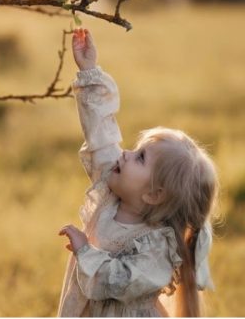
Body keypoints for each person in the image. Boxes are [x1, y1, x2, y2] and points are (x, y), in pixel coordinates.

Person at [57, 28, 217, 317]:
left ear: (154, 194)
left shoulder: (156, 247)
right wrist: (90, 70)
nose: (126, 154)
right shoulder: (112, 192)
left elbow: (116, 282)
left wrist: (85, 251)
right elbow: (102, 138)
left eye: (140, 157)